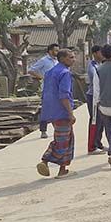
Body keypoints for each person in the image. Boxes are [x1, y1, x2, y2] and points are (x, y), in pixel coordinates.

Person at [36, 49, 77, 178]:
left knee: (64, 138)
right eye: (71, 57)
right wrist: (70, 113)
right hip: (62, 111)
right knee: (63, 140)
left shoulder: (49, 73)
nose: (73, 59)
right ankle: (46, 160)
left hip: (51, 110)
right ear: (63, 59)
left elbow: (45, 93)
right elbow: (64, 95)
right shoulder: (65, 73)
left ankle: (62, 168)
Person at [85, 45, 106, 153]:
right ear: (95, 53)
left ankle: (98, 143)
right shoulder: (92, 65)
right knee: (95, 120)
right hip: (93, 96)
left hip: (100, 95)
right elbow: (95, 77)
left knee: (101, 121)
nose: (102, 55)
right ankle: (92, 146)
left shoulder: (101, 64)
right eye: (100, 52)